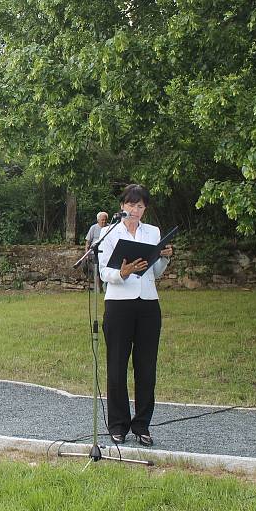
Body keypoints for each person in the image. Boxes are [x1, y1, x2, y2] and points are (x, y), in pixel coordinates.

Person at [98, 184, 173, 447]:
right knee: (117, 366)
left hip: (148, 305)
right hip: (119, 304)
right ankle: (118, 425)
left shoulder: (153, 232)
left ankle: (142, 425)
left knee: (146, 368)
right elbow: (104, 273)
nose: (135, 210)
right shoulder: (108, 233)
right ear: (122, 206)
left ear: (145, 209)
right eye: (131, 205)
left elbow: (155, 272)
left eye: (140, 206)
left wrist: (164, 258)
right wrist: (123, 273)